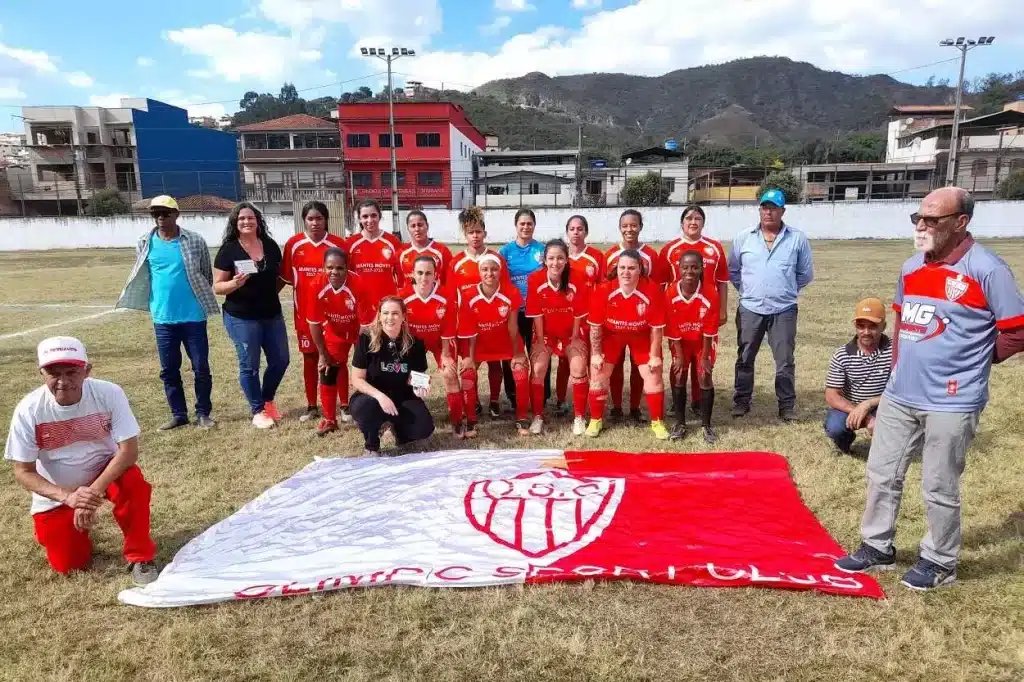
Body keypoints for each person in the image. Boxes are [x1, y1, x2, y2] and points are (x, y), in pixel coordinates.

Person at [835, 187, 1024, 591]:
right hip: (901, 395)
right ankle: (877, 545)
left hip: (952, 401)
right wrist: (895, 378)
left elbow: (1016, 330)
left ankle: (939, 560)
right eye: (917, 218)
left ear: (961, 223)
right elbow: (902, 327)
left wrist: (978, 359)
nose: (922, 226)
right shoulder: (910, 268)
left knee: (939, 484)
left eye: (932, 220)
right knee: (881, 472)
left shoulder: (987, 269)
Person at [4, 337, 158, 585]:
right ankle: (63, 529)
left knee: (133, 483)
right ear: (41, 373)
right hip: (59, 491)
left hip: (104, 473)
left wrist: (91, 495)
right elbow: (23, 471)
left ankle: (140, 555)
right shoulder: (29, 409)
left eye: (72, 372)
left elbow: (128, 451)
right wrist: (68, 497)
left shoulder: (109, 393)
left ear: (87, 370)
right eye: (54, 373)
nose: (63, 381)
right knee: (69, 564)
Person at [115, 195, 218, 431]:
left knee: (201, 367)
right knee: (169, 370)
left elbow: (205, 273)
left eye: (165, 213)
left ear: (176, 214)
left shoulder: (194, 240)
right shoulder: (145, 241)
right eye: (156, 214)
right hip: (163, 318)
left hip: (194, 317)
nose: (160, 218)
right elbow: (144, 273)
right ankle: (178, 414)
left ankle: (203, 413)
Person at [727, 189, 814, 421]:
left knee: (785, 360)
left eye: (773, 208)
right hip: (750, 309)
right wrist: (749, 291)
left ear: (783, 211)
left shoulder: (797, 239)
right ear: (759, 210)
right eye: (765, 207)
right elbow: (734, 271)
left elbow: (805, 274)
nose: (768, 212)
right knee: (745, 357)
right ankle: (741, 401)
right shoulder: (743, 237)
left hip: (783, 310)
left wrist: (784, 290)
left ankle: (786, 406)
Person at [213, 202, 290, 429]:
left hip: (271, 314)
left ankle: (267, 400)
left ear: (258, 221)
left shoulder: (270, 245)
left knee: (281, 360)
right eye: (241, 219)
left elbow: (278, 278)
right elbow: (217, 287)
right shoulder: (229, 249)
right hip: (241, 317)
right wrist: (234, 284)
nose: (246, 222)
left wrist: (267, 295)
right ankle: (257, 410)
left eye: (250, 218)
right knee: (250, 365)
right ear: (235, 223)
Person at [586, 249, 669, 440]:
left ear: (640, 269)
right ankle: (596, 419)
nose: (626, 272)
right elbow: (596, 326)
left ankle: (657, 421)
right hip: (612, 334)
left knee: (653, 373)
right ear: (617, 269)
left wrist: (655, 356)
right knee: (598, 371)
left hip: (640, 335)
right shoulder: (604, 289)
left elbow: (656, 327)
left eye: (631, 268)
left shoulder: (652, 289)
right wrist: (596, 354)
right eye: (622, 267)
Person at [279, 201, 346, 424]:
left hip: (335, 316)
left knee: (337, 359)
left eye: (319, 218)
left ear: (326, 220)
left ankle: (343, 405)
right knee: (310, 358)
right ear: (304, 220)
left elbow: (348, 279)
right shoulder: (294, 245)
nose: (315, 223)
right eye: (310, 219)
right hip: (305, 315)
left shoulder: (338, 244)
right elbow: (286, 279)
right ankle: (311, 405)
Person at [660, 205, 729, 417]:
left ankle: (699, 402)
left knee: (704, 360)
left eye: (697, 218)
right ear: (682, 223)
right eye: (688, 218)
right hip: (679, 316)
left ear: (703, 222)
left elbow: (723, 281)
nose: (693, 222)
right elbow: (662, 284)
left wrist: (723, 310)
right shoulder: (670, 249)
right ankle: (677, 401)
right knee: (678, 360)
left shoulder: (714, 248)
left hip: (705, 315)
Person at [349, 297, 435, 456]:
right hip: (373, 397)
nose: (390, 318)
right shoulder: (366, 339)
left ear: (403, 317)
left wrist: (420, 387)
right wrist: (380, 396)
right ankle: (372, 443)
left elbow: (417, 377)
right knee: (364, 408)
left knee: (424, 428)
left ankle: (401, 433)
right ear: (379, 316)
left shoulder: (415, 343)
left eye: (395, 313)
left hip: (402, 396)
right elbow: (357, 379)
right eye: (386, 313)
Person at [456, 255, 531, 435]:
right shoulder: (468, 295)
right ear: (479, 272)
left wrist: (517, 353)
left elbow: (513, 327)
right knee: (468, 373)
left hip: (504, 341)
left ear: (500, 271)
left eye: (494, 269)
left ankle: (522, 417)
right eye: (485, 269)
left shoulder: (511, 292)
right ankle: (472, 419)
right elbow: (470, 331)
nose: (490, 273)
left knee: (520, 372)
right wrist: (470, 358)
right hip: (478, 343)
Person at [604, 209, 666, 424]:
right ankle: (617, 407)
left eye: (634, 225)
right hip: (617, 322)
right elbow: (606, 287)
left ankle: (635, 407)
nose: (629, 229)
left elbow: (657, 288)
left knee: (641, 365)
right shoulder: (611, 254)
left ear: (640, 226)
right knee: (616, 364)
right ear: (620, 227)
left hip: (643, 321)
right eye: (625, 225)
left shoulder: (651, 254)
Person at [525, 239, 590, 435]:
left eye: (560, 258)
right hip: (547, 333)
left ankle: (579, 417)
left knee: (578, 367)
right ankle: (537, 416)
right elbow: (536, 313)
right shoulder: (535, 279)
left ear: (567, 259)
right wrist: (539, 340)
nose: (556, 263)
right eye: (551, 258)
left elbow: (579, 311)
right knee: (538, 367)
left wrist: (576, 338)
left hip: (571, 331)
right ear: (544, 260)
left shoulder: (577, 277)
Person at [307, 248, 373, 436]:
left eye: (339, 268)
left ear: (347, 268)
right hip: (334, 329)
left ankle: (372, 414)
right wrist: (322, 353)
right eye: (329, 268)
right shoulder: (316, 285)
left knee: (369, 369)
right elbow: (314, 323)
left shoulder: (358, 283)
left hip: (358, 328)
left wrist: (361, 355)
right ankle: (329, 420)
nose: (334, 272)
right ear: (323, 268)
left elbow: (366, 326)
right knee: (327, 367)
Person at [399, 256, 464, 436]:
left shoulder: (445, 295)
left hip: (439, 341)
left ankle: (457, 419)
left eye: (429, 273)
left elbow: (448, 328)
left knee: (449, 373)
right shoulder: (403, 296)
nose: (424, 278)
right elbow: (400, 329)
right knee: (411, 379)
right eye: (420, 273)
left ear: (435, 275)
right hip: (413, 344)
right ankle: (410, 416)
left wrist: (446, 355)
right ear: (413, 274)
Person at [823, 297, 892, 453]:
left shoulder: (895, 351)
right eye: (861, 326)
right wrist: (865, 416)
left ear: (884, 326)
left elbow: (904, 390)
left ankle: (887, 446)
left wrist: (868, 404)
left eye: (873, 327)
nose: (866, 332)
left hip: (884, 405)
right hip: (850, 408)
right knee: (835, 427)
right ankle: (845, 444)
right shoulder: (842, 355)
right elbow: (831, 395)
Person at [665, 250, 721, 443]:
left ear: (701, 268)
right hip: (680, 342)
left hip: (702, 343)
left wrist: (705, 357)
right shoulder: (671, 293)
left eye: (695, 267)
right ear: (678, 269)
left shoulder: (711, 293)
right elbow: (672, 328)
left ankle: (707, 425)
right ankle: (680, 423)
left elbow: (709, 330)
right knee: (679, 372)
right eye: (685, 267)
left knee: (704, 376)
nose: (690, 271)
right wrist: (679, 357)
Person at [499, 209, 548, 411]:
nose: (526, 227)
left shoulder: (542, 250)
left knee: (539, 352)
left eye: (529, 223)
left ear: (534, 226)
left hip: (537, 313)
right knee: (512, 354)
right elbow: (500, 281)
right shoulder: (505, 252)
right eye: (522, 223)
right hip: (513, 313)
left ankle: (542, 396)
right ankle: (513, 396)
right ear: (516, 226)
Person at [558, 215, 605, 415]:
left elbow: (602, 287)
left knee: (586, 358)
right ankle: (561, 400)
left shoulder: (595, 256)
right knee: (563, 360)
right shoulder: (560, 256)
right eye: (572, 229)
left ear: (586, 232)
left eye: (580, 229)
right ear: (567, 232)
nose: (576, 232)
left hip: (589, 318)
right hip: (564, 316)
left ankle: (584, 399)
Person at [343, 199, 404, 314]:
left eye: (373, 215)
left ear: (380, 216)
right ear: (359, 219)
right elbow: (346, 277)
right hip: (360, 305)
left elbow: (401, 275)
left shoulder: (392, 241)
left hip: (387, 306)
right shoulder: (350, 244)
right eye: (365, 216)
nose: (369, 220)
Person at [448, 206, 510, 297]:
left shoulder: (497, 260)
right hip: (465, 311)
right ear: (465, 235)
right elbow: (450, 294)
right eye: (471, 232)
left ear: (485, 234)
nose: (475, 236)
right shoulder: (455, 263)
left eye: (478, 232)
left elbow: (506, 289)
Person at [399, 211, 453, 285]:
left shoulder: (442, 251)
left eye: (420, 225)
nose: (417, 229)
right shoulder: (401, 252)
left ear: (427, 226)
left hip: (435, 296)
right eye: (413, 226)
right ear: (408, 229)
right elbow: (400, 283)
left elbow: (449, 281)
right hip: (409, 296)